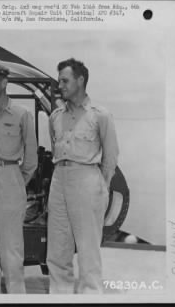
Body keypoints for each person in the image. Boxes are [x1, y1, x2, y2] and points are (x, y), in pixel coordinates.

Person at [47, 58, 119, 294]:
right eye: (59, 81)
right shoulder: (55, 116)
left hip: (87, 181)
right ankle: (59, 296)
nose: (61, 85)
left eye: (65, 80)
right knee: (57, 251)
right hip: (59, 180)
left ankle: (90, 297)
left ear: (80, 80)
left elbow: (110, 158)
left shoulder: (100, 115)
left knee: (88, 252)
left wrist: (101, 187)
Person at [0, 62, 38, 293]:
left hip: (10, 178)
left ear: (4, 82)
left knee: (11, 250)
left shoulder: (22, 115)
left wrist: (14, 183)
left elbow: (31, 161)